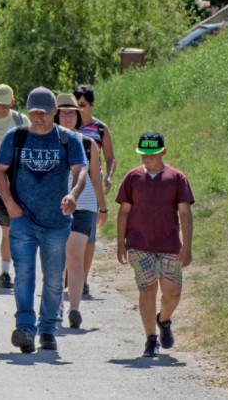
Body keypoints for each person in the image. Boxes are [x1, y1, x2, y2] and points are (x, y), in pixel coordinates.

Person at [0, 87, 87, 353]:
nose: (38, 118)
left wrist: (72, 193)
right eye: (33, 113)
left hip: (56, 222)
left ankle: (47, 328)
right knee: (24, 275)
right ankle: (25, 328)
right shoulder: (17, 137)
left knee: (54, 278)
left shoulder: (68, 140)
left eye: (44, 113)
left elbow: (80, 172)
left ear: (54, 112)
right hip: (22, 218)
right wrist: (9, 203)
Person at [115, 131, 194, 357]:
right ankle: (150, 339)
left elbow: (185, 214)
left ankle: (164, 319)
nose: (148, 159)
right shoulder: (132, 178)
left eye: (153, 155)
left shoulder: (177, 178)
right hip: (139, 244)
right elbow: (123, 212)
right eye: (144, 155)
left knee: (173, 293)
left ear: (163, 152)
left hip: (170, 245)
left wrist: (186, 246)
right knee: (147, 288)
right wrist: (121, 243)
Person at [54, 94, 108, 328]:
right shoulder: (48, 141)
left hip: (84, 205)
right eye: (63, 112)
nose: (67, 116)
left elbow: (96, 178)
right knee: (57, 258)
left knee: (75, 254)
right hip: (54, 206)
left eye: (71, 112)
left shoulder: (88, 144)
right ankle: (55, 304)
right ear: (56, 115)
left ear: (78, 116)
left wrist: (103, 207)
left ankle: (74, 308)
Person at [0, 84, 31, 288]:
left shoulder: (20, 121)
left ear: (12, 102)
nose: (1, 109)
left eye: (5, 105)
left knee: (9, 228)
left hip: (13, 180)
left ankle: (6, 272)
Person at [74, 84, 117, 297]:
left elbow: (110, 158)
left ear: (91, 105)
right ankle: (69, 272)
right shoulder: (66, 125)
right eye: (76, 105)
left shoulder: (100, 129)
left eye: (83, 105)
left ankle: (82, 279)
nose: (79, 109)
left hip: (92, 184)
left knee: (89, 235)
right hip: (69, 183)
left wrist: (108, 177)